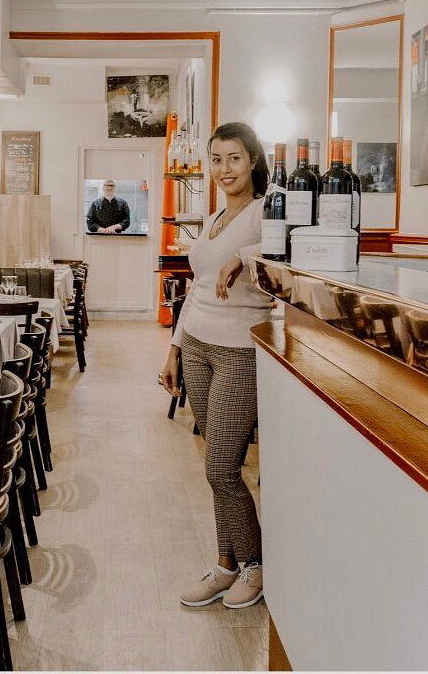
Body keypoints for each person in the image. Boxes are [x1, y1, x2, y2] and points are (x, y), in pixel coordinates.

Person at [159, 121, 273, 610]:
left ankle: (255, 565)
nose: (224, 169)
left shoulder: (269, 208)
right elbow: (199, 290)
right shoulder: (212, 220)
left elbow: (295, 244)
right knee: (214, 464)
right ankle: (228, 565)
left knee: (222, 466)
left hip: (240, 348)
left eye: (235, 158)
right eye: (217, 159)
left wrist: (244, 257)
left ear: (253, 162)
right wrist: (175, 348)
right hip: (200, 344)